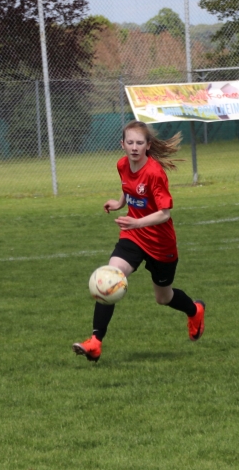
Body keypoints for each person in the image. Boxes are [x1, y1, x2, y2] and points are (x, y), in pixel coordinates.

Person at [72, 120, 205, 363]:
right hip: (133, 237)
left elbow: (164, 213)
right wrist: (119, 203)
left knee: (163, 298)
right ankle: (95, 342)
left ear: (148, 145)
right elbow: (129, 187)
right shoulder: (122, 164)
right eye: (130, 142)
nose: (134, 147)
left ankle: (195, 310)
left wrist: (136, 222)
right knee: (110, 277)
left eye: (139, 143)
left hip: (160, 243)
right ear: (122, 144)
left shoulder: (155, 173)